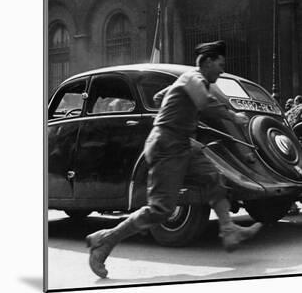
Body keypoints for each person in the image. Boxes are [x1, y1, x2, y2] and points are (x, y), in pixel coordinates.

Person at [85, 40, 263, 278]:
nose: (221, 71)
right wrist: (232, 116)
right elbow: (205, 103)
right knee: (160, 210)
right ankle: (105, 240)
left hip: (181, 144)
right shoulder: (195, 79)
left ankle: (228, 229)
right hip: (167, 147)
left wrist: (180, 111)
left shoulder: (187, 81)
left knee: (213, 178)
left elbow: (160, 98)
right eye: (220, 65)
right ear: (207, 62)